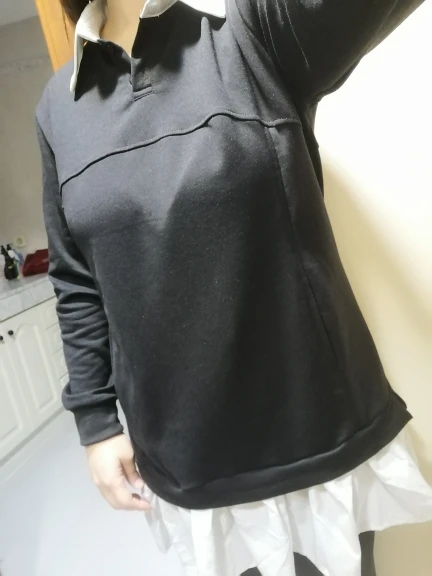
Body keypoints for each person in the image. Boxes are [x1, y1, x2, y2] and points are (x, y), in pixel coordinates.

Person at [36, 1, 432, 575]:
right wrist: (95, 424)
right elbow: (75, 278)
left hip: (310, 450)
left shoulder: (252, 36)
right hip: (185, 464)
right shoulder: (57, 107)